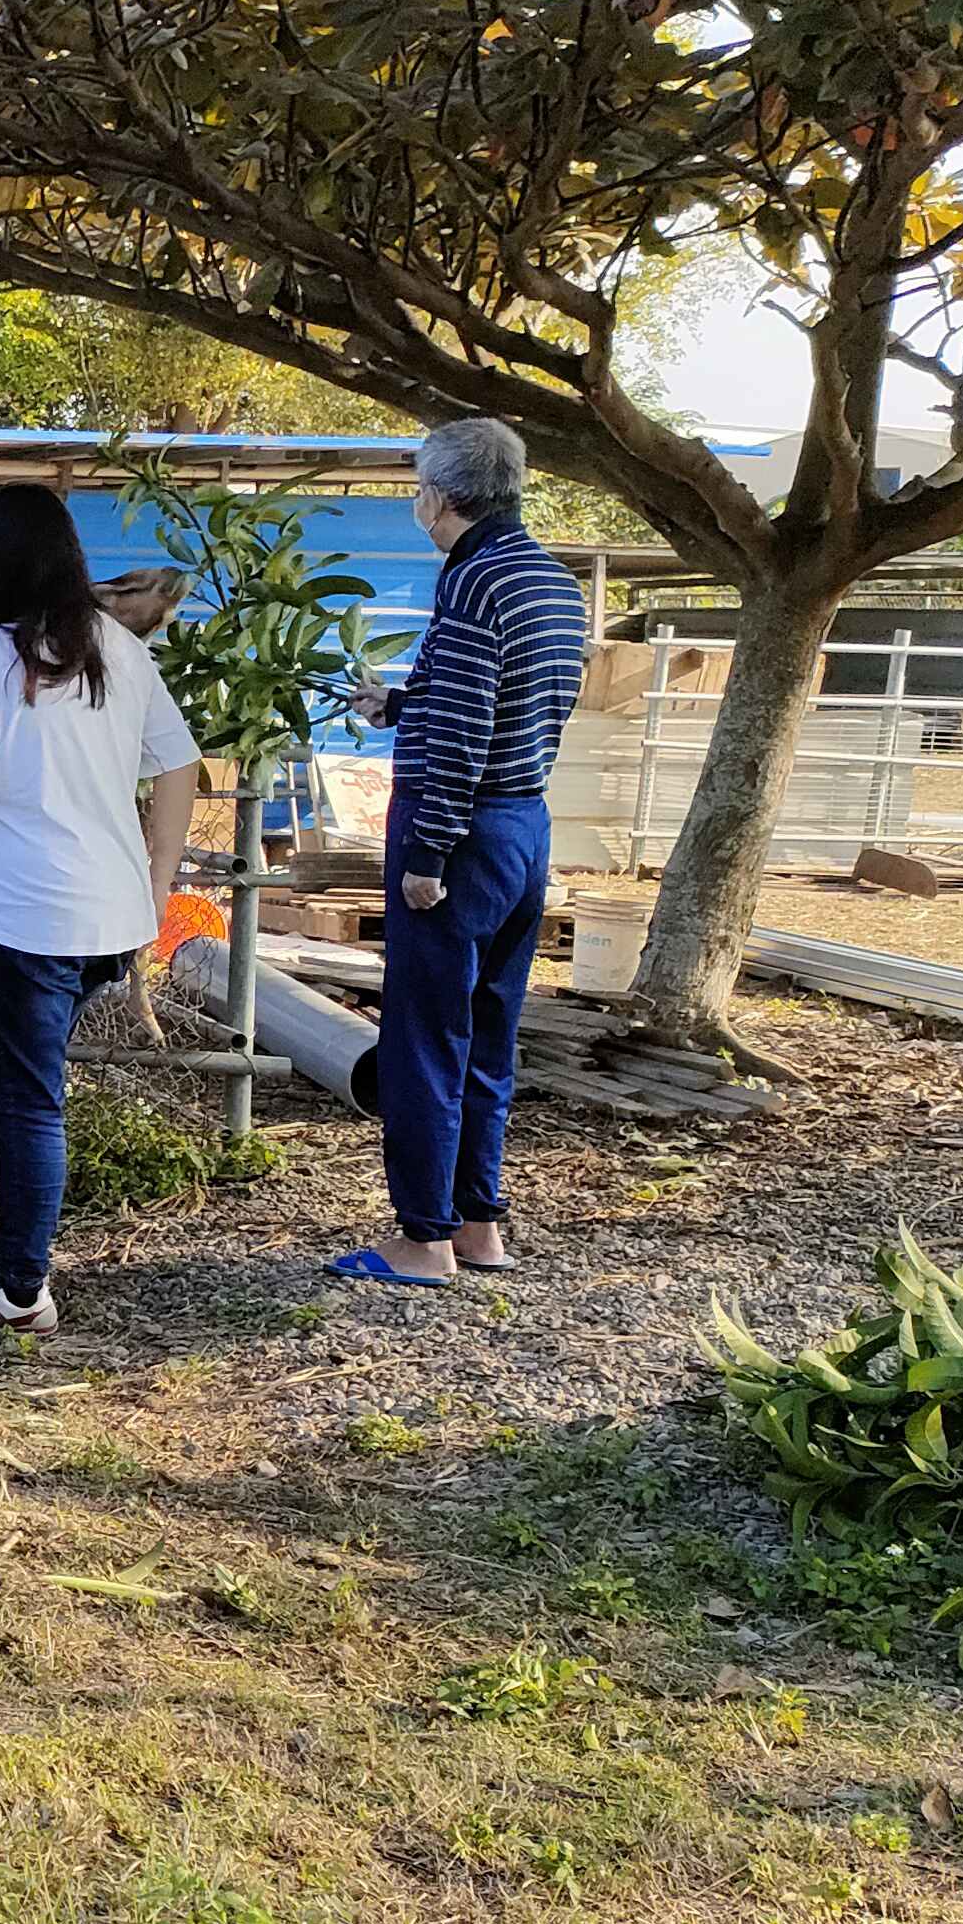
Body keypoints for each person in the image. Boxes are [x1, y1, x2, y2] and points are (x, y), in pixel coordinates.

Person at [0, 483, 200, 1340]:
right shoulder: (115, 644)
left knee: (30, 1102)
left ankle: (19, 1291)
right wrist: (157, 881)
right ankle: (11, 1257)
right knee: (36, 1091)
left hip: (22, 918)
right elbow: (179, 765)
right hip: (112, 916)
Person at [344, 415, 592, 1287]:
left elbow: (463, 729)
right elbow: (514, 701)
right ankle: (480, 1221)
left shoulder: (473, 580)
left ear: (440, 496)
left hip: (458, 828)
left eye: (418, 485)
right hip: (524, 822)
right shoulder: (553, 584)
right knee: (490, 1029)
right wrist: (400, 705)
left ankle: (422, 1237)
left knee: (424, 1033)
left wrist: (427, 854)